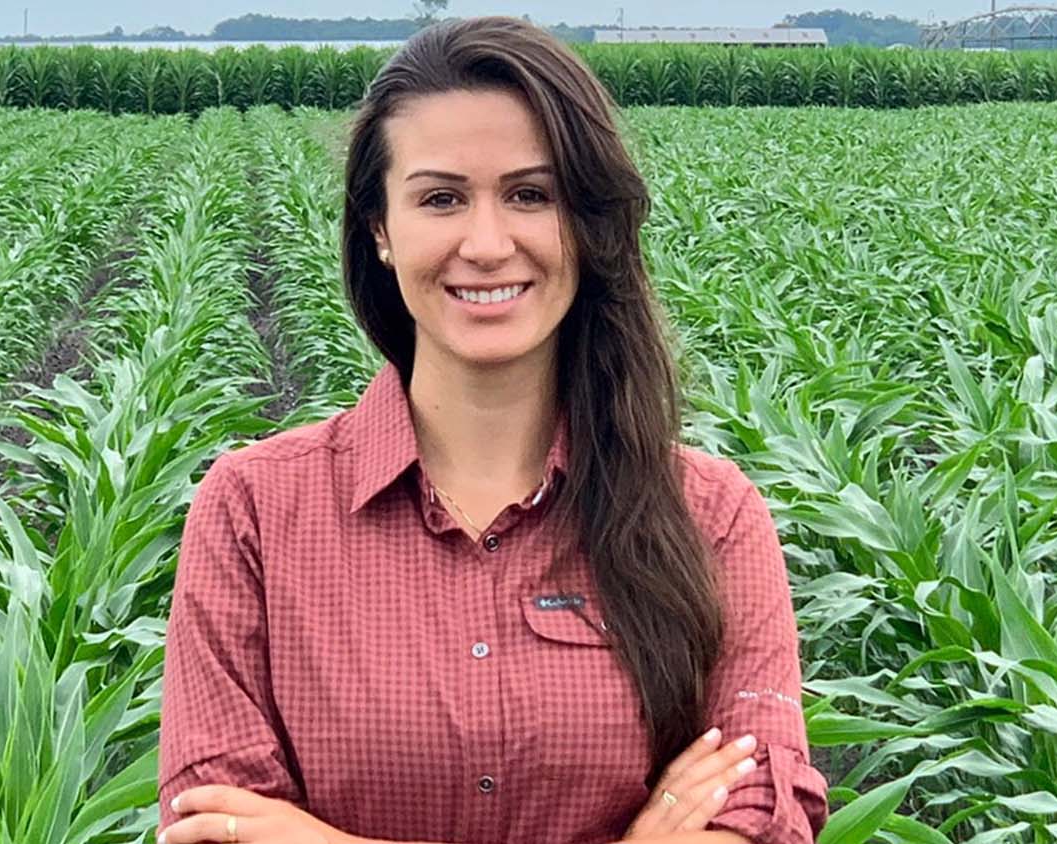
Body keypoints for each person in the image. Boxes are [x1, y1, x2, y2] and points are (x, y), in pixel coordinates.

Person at [156, 15, 828, 844]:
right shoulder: (253, 512)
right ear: (379, 228)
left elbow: (764, 819)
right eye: (441, 198)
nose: (485, 243)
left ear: (585, 225)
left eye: (530, 195)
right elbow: (211, 827)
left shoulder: (713, 518)